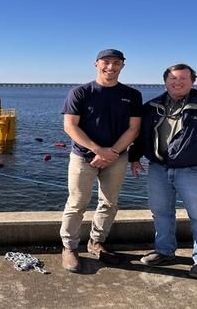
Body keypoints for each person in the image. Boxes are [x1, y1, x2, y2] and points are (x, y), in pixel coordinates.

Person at [128, 63, 197, 279]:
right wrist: (134, 158)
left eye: (183, 79)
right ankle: (164, 251)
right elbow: (141, 136)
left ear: (193, 81)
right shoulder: (151, 106)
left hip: (195, 171)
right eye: (173, 78)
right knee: (161, 213)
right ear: (165, 81)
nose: (177, 82)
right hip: (158, 170)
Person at [60, 49, 142, 272]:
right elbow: (70, 126)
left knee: (109, 203)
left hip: (116, 158)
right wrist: (98, 150)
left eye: (117, 63)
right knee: (76, 203)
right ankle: (69, 247)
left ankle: (96, 242)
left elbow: (134, 129)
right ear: (96, 64)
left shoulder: (132, 95)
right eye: (106, 62)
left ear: (123, 66)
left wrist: (111, 153)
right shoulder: (80, 92)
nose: (111, 67)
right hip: (83, 157)